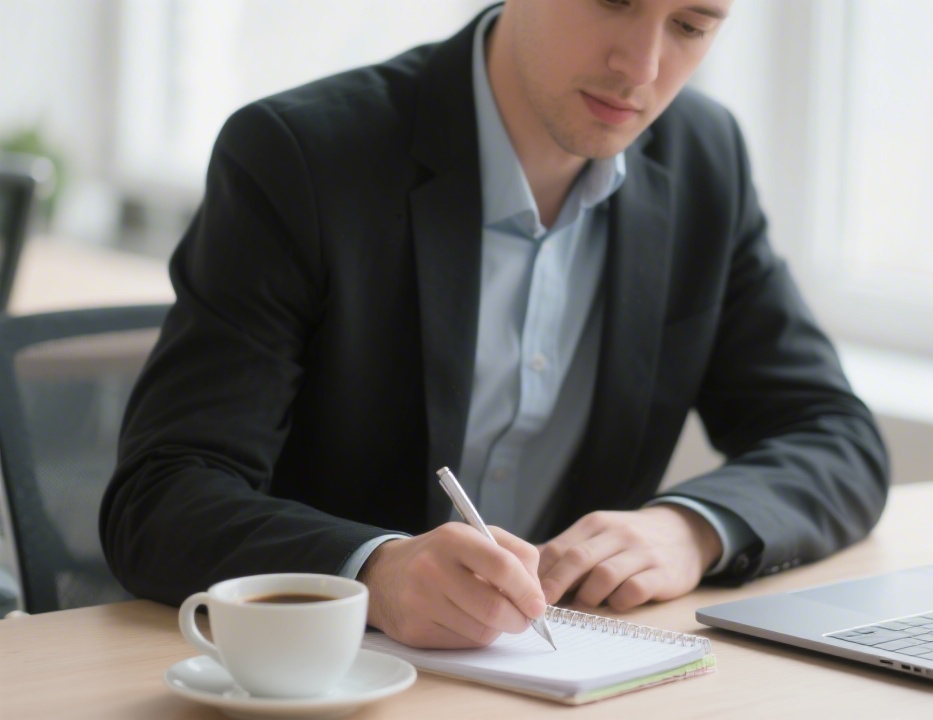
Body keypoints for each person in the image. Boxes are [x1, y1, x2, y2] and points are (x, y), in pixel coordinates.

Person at [100, 0, 889, 649]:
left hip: (564, 678)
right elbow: (162, 495)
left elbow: (834, 434)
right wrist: (373, 571)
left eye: (690, 25)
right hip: (321, 677)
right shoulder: (301, 156)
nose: (642, 69)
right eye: (614, 1)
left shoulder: (703, 160)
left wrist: (691, 530)